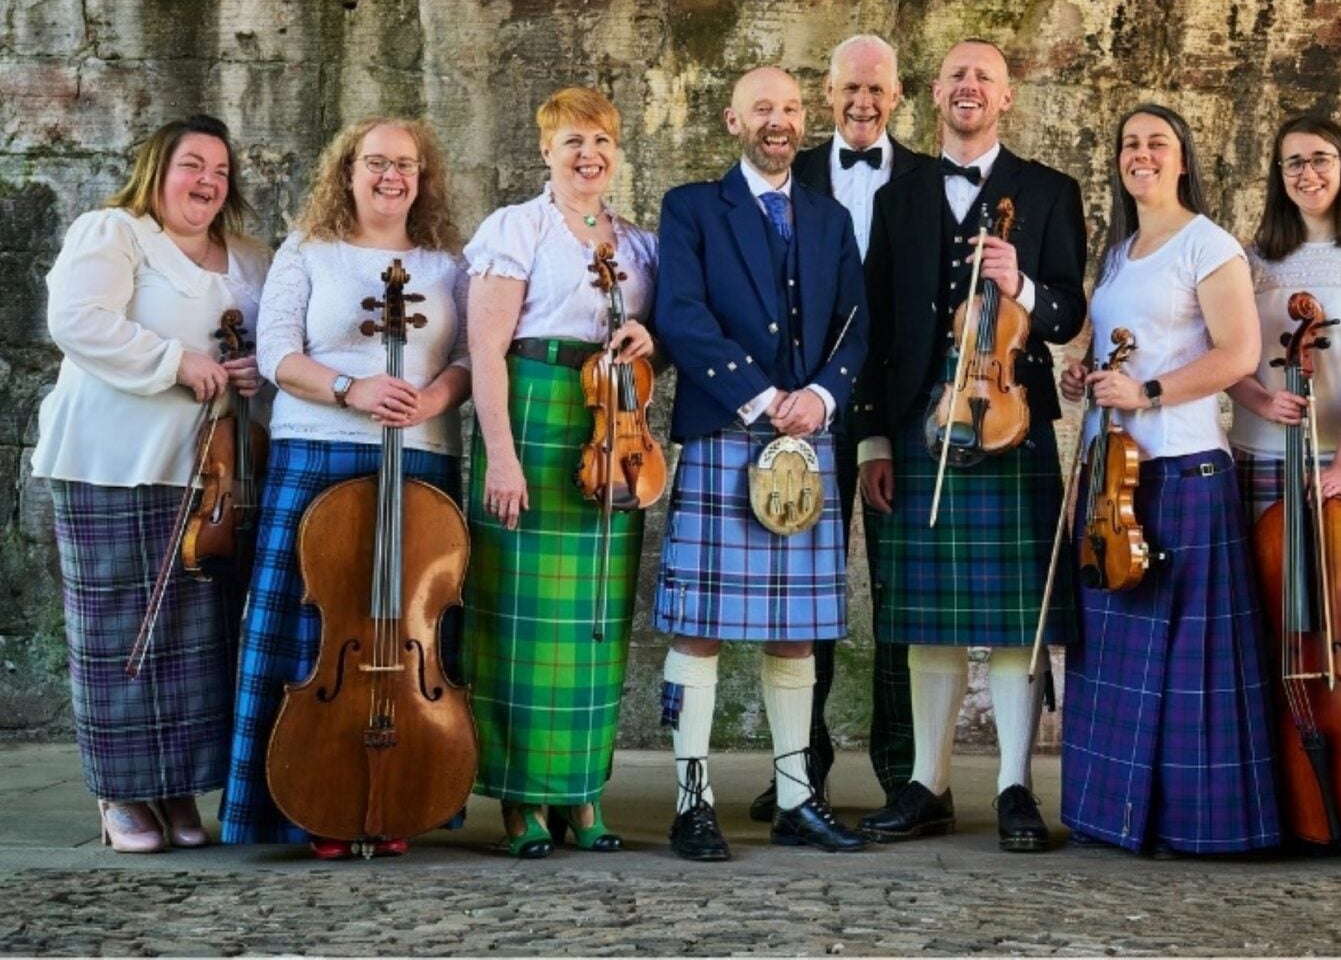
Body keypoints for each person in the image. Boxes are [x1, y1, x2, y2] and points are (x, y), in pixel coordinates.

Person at [854, 39, 1086, 852]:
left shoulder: (1050, 193)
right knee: (931, 621)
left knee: (1021, 621)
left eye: (984, 76)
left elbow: (1065, 316)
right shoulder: (900, 195)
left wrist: (1021, 281)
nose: (969, 87)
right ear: (933, 92)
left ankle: (1017, 785)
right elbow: (877, 326)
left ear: (1008, 96)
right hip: (924, 421)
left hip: (1012, 420)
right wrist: (875, 436)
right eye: (956, 75)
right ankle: (928, 783)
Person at [219, 117, 471, 858]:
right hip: (320, 450)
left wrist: (433, 398)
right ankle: (306, 805)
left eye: (407, 164)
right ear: (348, 171)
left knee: (407, 629)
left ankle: (403, 789)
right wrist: (348, 387)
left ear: (423, 178)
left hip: (420, 458)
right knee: (314, 635)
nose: (391, 176)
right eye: (376, 162)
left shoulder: (446, 261)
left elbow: (461, 357)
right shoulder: (310, 250)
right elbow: (276, 354)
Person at [33, 114, 269, 853]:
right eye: (191, 165)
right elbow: (77, 319)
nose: (207, 182)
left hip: (210, 474)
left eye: (220, 171)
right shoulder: (115, 233)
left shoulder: (251, 259)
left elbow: (275, 343)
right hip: (112, 461)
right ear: (157, 170)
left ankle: (175, 789)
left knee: (196, 640)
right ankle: (122, 793)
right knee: (120, 635)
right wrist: (177, 362)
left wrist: (253, 371)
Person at [651, 66, 869, 860]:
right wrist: (761, 394)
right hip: (725, 431)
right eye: (762, 109)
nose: (778, 122)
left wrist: (820, 396)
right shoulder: (692, 208)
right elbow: (680, 312)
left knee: (797, 636)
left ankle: (796, 800)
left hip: (807, 439)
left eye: (789, 109)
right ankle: (691, 803)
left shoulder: (829, 217)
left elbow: (856, 325)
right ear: (732, 119)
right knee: (698, 628)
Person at [1058, 104, 1279, 856]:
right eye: (1129, 143)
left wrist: (1147, 395)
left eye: (1157, 143)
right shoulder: (1119, 253)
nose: (1141, 154)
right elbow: (1129, 353)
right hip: (1112, 475)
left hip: (1182, 468)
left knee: (1185, 661)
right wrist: (1085, 376)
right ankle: (1113, 816)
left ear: (1183, 158)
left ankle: (1197, 824)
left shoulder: (1207, 245)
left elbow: (1239, 354)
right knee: (1118, 652)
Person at [462, 87, 657, 858]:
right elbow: (485, 353)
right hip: (537, 422)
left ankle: (582, 794)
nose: (590, 155)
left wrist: (647, 337)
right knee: (518, 620)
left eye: (603, 142)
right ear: (546, 151)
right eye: (574, 141)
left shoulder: (638, 244)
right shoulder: (517, 229)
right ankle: (521, 804)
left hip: (613, 429)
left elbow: (656, 340)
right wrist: (501, 456)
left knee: (594, 626)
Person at [748, 33, 926, 821]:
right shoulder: (793, 173)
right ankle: (801, 771)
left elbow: (910, 325)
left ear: (897, 95)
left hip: (894, 415)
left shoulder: (926, 182)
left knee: (899, 597)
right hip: (803, 410)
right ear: (827, 94)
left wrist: (883, 432)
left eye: (877, 90)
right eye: (849, 89)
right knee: (801, 594)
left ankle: (902, 776)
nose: (862, 104)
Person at [1229, 116, 1341, 516]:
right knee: (1266, 580)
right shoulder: (1249, 260)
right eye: (1293, 162)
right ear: (1281, 174)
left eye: (1320, 159)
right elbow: (1223, 355)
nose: (1307, 173)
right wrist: (1263, 403)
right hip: (1261, 450)